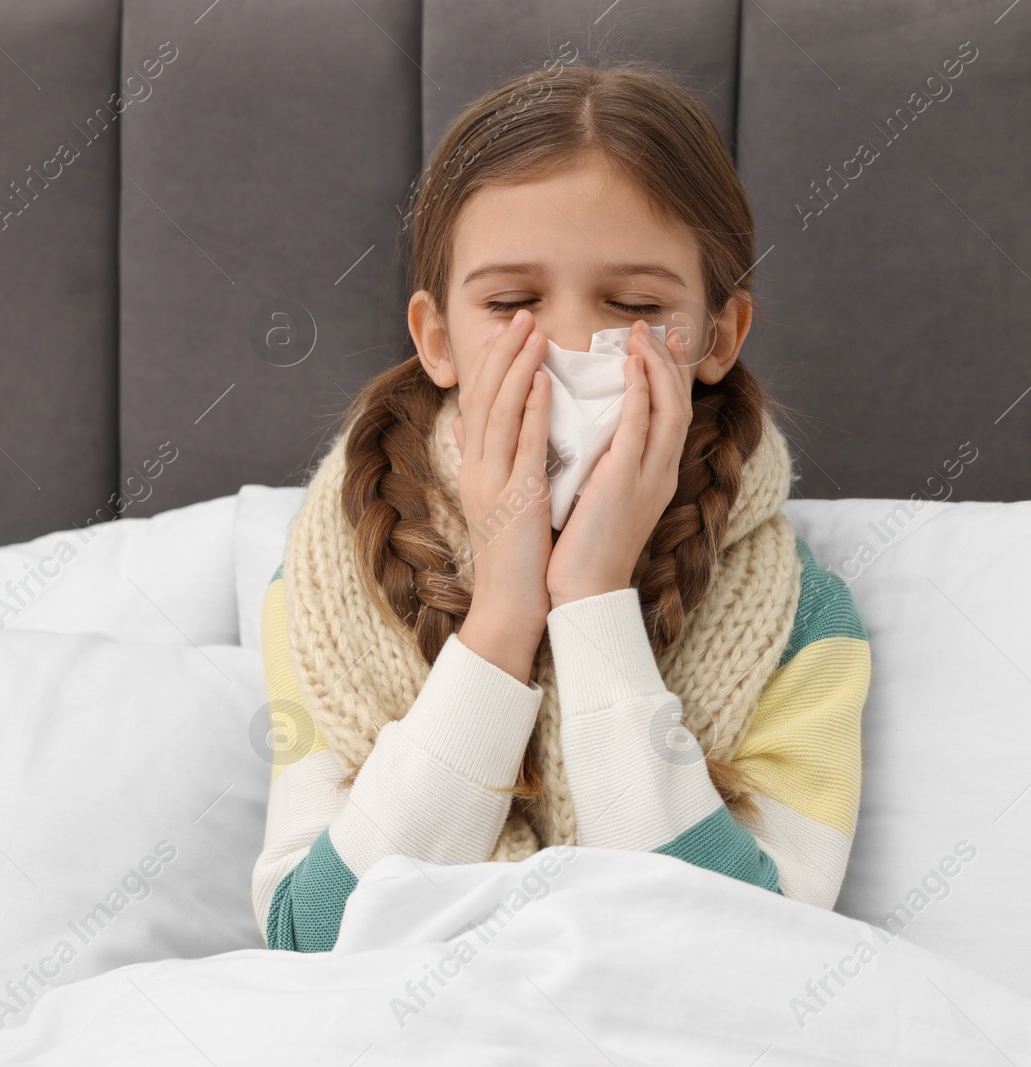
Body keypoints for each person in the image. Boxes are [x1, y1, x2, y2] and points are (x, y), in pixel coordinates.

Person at [250, 58, 871, 953]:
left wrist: (591, 597)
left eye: (633, 304)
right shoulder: (322, 592)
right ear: (437, 339)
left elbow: (758, 950)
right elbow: (310, 937)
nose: (574, 344)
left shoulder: (803, 624)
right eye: (510, 302)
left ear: (716, 337)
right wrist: (503, 617)